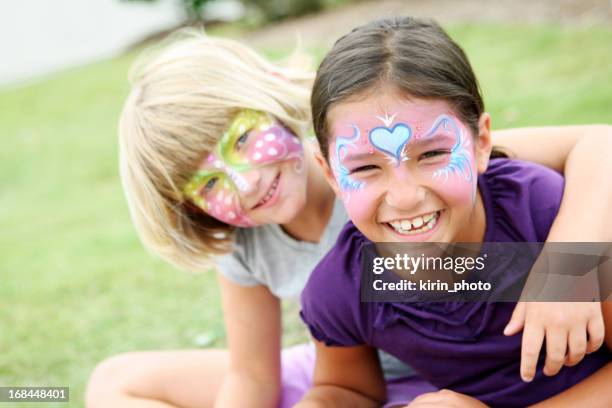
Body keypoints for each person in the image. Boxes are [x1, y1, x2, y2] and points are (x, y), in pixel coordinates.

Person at [85, 31, 612, 408]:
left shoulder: (506, 194)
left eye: (242, 140)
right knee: (113, 380)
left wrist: (567, 272)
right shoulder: (324, 280)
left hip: (502, 374)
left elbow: (600, 144)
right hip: (387, 376)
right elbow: (274, 378)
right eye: (208, 183)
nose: (244, 181)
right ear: (332, 170)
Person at [298, 16, 612, 407]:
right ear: (330, 173)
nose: (406, 196)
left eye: (432, 154)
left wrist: (569, 270)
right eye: (365, 167)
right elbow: (346, 390)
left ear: (481, 142)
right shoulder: (342, 289)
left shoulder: (544, 217)